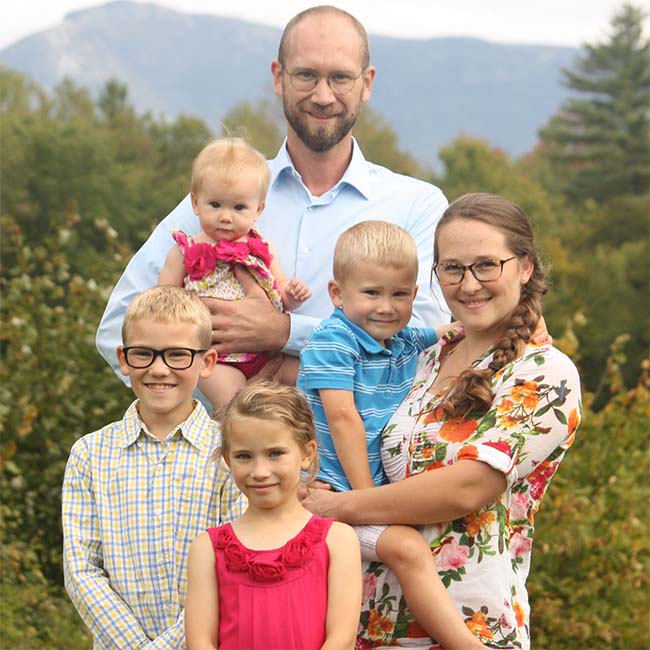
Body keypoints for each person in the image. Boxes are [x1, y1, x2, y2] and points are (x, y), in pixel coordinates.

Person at [95, 5, 450, 393]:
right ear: (278, 78)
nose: (323, 95)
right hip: (228, 448)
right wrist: (227, 404)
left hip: (359, 451)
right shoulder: (221, 199)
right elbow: (120, 332)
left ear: (367, 83)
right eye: (306, 75)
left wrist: (284, 332)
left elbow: (425, 347)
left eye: (340, 78)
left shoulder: (417, 206)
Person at [302, 193, 582, 649]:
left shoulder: (543, 372)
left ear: (525, 268)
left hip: (468, 625)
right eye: (452, 268)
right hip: (366, 622)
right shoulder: (424, 359)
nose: (469, 284)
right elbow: (337, 398)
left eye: (487, 265)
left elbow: (468, 487)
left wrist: (339, 506)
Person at [297, 219, 482, 649]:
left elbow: (442, 332)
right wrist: (365, 502)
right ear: (337, 294)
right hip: (335, 494)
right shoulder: (334, 340)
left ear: (415, 296)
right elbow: (343, 418)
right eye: (371, 293)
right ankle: (467, 645)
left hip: (362, 497)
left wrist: (522, 326)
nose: (386, 306)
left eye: (399, 294)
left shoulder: (399, 339)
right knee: (408, 548)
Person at [62, 286, 247, 648]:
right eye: (144, 354)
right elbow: (81, 569)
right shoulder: (90, 454)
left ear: (207, 362)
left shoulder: (231, 452)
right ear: (124, 358)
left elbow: (233, 566)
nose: (159, 369)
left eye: (177, 355)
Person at [184, 380, 361, 649]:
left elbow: (341, 638)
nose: (260, 471)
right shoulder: (207, 549)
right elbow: (200, 643)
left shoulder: (338, 540)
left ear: (306, 453)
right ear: (228, 460)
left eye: (275, 453)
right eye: (244, 456)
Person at [158, 137, 311, 408]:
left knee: (313, 375)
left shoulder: (262, 248)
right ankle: (241, 439)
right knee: (237, 406)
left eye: (238, 207)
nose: (226, 217)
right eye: (215, 205)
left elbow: (281, 293)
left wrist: (293, 295)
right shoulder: (186, 251)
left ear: (258, 209)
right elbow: (161, 303)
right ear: (195, 203)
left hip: (268, 353)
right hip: (217, 357)